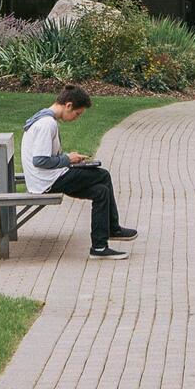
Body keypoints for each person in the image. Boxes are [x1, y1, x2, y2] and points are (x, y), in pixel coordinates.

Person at [22, 84, 138, 260]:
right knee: (103, 174)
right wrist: (68, 159)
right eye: (77, 114)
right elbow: (40, 160)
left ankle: (99, 247)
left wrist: (69, 160)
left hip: (48, 178)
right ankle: (113, 229)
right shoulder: (47, 124)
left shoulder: (45, 119)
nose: (76, 118)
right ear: (68, 105)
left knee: (101, 191)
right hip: (47, 181)